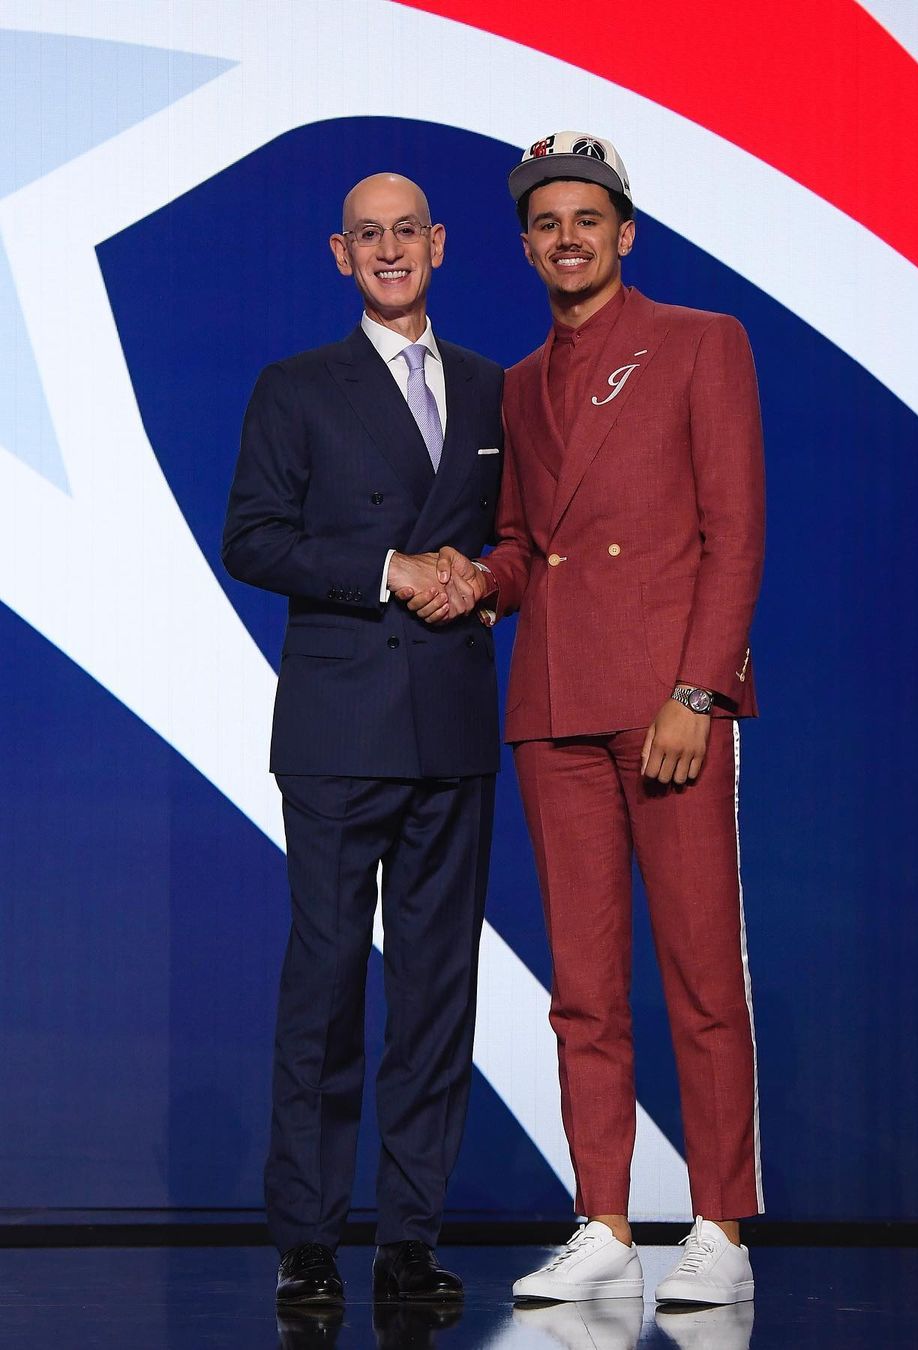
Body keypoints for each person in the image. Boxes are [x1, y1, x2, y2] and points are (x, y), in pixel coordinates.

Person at [404, 131, 765, 1306]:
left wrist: (698, 692)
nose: (569, 238)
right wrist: (476, 579)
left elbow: (735, 534)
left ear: (625, 233)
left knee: (701, 972)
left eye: (588, 219)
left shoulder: (703, 341)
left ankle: (720, 1223)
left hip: (667, 704)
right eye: (548, 223)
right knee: (583, 986)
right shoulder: (518, 383)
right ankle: (603, 1218)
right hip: (555, 704)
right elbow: (523, 544)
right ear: (526, 247)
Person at [222, 172, 504, 1307]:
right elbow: (253, 537)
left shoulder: (488, 387)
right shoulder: (295, 387)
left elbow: (521, 536)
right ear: (341, 255)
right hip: (339, 730)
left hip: (453, 728)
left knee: (436, 996)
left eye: (407, 232)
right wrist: (389, 570)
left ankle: (408, 1239)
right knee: (327, 987)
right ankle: (307, 1237)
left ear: (438, 244)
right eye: (367, 236)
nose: (390, 250)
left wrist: (486, 578)